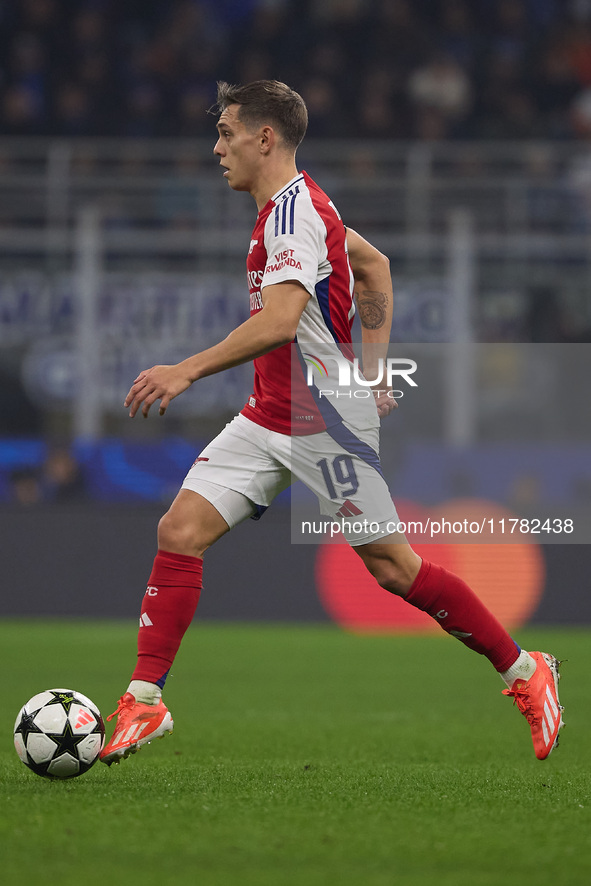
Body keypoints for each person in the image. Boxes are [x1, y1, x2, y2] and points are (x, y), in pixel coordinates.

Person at [100, 80, 564, 766]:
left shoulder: (292, 217)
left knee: (394, 570)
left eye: (227, 134)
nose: (216, 147)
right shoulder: (301, 206)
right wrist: (372, 367)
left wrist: (187, 369)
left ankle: (527, 673)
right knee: (179, 531)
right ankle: (144, 700)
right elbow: (372, 268)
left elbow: (282, 319)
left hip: (325, 426)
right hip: (267, 414)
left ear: (265, 139)